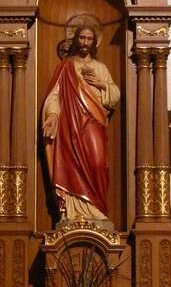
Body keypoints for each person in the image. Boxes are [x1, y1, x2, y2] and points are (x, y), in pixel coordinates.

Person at [42, 24, 120, 222]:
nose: (85, 42)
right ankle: (73, 211)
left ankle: (96, 211)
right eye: (82, 38)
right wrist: (52, 116)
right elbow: (55, 95)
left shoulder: (100, 68)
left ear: (94, 42)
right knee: (70, 166)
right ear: (76, 40)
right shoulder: (66, 67)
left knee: (97, 163)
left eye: (89, 39)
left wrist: (101, 84)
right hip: (70, 125)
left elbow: (114, 96)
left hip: (94, 123)